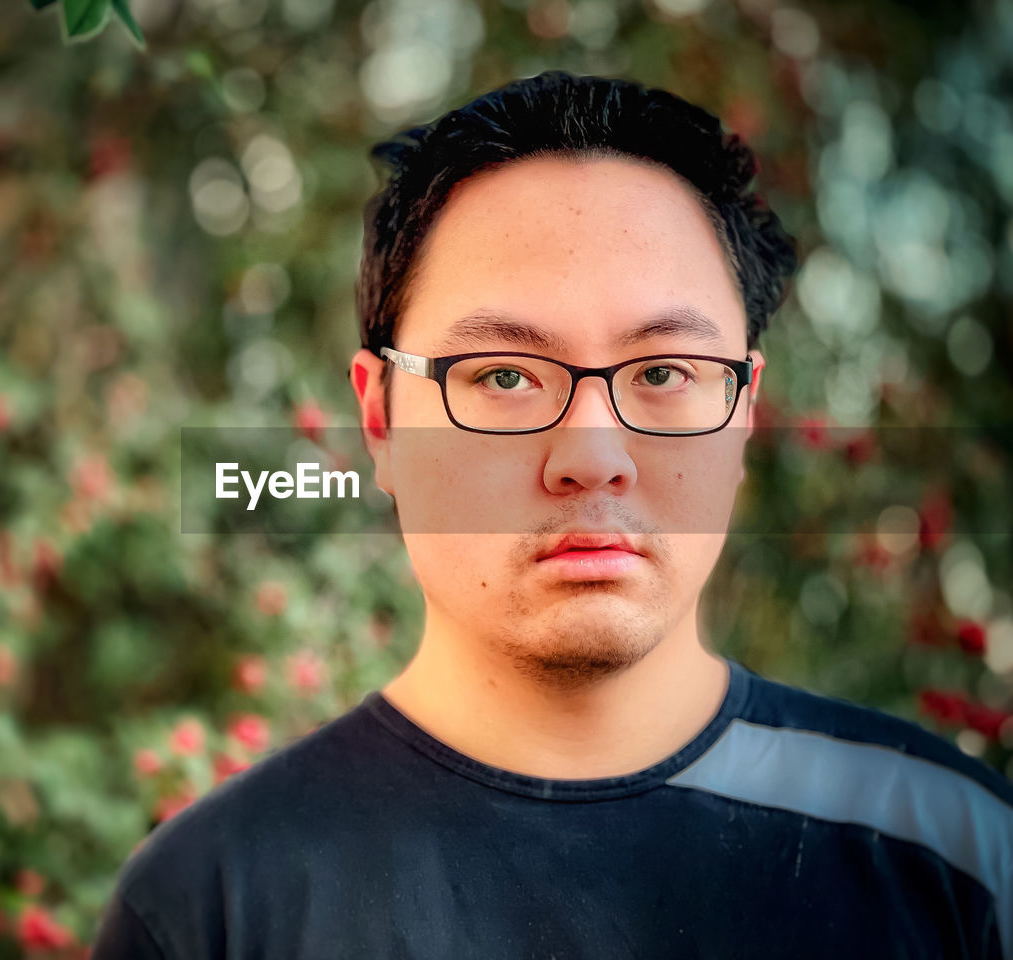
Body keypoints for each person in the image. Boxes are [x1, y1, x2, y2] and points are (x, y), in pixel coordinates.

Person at [91, 71, 1013, 959]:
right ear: (379, 419)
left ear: (742, 413)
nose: (592, 459)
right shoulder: (214, 903)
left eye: (662, 374)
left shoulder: (959, 856)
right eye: (501, 375)